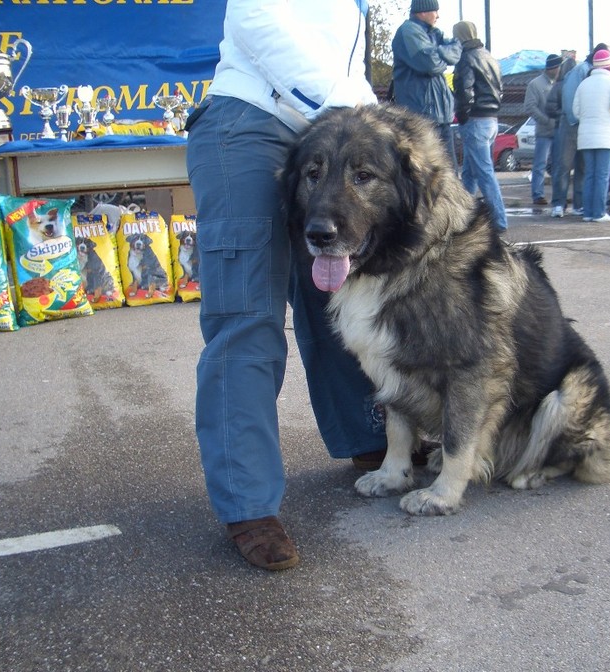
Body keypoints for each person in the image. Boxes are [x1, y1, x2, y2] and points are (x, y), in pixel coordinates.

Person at [184, 1, 386, 571]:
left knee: (337, 299)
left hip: (327, 128)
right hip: (248, 128)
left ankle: (369, 439)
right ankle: (248, 504)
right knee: (247, 318)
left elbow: (343, 67)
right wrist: (347, 109)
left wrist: (373, 119)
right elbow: (255, 18)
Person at [391, 0, 462, 169]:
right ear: (423, 11)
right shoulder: (408, 31)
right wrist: (442, 56)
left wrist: (439, 55)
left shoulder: (434, 34)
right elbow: (430, 64)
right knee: (427, 173)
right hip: (420, 117)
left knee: (449, 174)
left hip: (441, 116)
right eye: (435, 11)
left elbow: (457, 49)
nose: (438, 15)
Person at [452, 20, 508, 233]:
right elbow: (499, 88)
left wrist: (463, 115)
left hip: (475, 119)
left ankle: (499, 221)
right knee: (470, 172)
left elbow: (465, 90)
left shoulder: (466, 58)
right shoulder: (490, 57)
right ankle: (464, 216)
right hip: (491, 119)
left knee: (483, 172)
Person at [551, 43, 610, 218]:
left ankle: (579, 204)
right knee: (564, 165)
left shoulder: (589, 72)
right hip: (572, 125)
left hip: (583, 125)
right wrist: (576, 119)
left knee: (582, 167)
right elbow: (570, 97)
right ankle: (558, 204)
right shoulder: (581, 70)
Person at [572, 48, 610, 222]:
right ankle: (599, 212)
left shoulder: (584, 84)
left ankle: (588, 212)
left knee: (590, 174)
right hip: (605, 136)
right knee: (602, 175)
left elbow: (575, 111)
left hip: (585, 136)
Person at [524, 53, 562, 205]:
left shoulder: (560, 83)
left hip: (559, 131)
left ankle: (559, 196)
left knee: (558, 165)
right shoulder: (535, 84)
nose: (560, 70)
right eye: (559, 67)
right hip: (544, 133)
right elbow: (530, 107)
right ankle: (538, 195)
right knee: (540, 164)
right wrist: (546, 121)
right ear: (553, 68)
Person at [546, 57, 578, 217]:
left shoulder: (558, 85)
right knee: (565, 168)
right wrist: (564, 115)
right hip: (563, 129)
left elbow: (550, 107)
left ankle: (559, 204)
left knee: (562, 168)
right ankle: (562, 203)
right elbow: (550, 108)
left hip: (563, 129)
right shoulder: (562, 86)